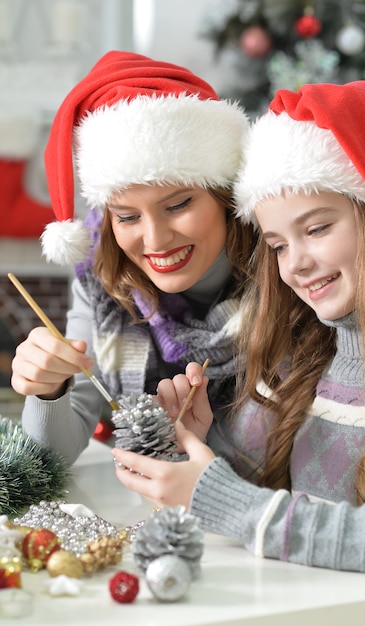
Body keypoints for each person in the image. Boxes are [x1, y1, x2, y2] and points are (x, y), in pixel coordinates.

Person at [112, 81, 365, 624]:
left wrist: (221, 498)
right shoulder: (296, 363)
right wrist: (196, 443)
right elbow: (236, 486)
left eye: (317, 228)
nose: (294, 264)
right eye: (276, 244)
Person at [10, 50, 254, 465]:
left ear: (224, 194)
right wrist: (49, 390)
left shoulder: (286, 264)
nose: (155, 240)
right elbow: (48, 460)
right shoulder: (102, 272)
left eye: (178, 205)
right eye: (127, 216)